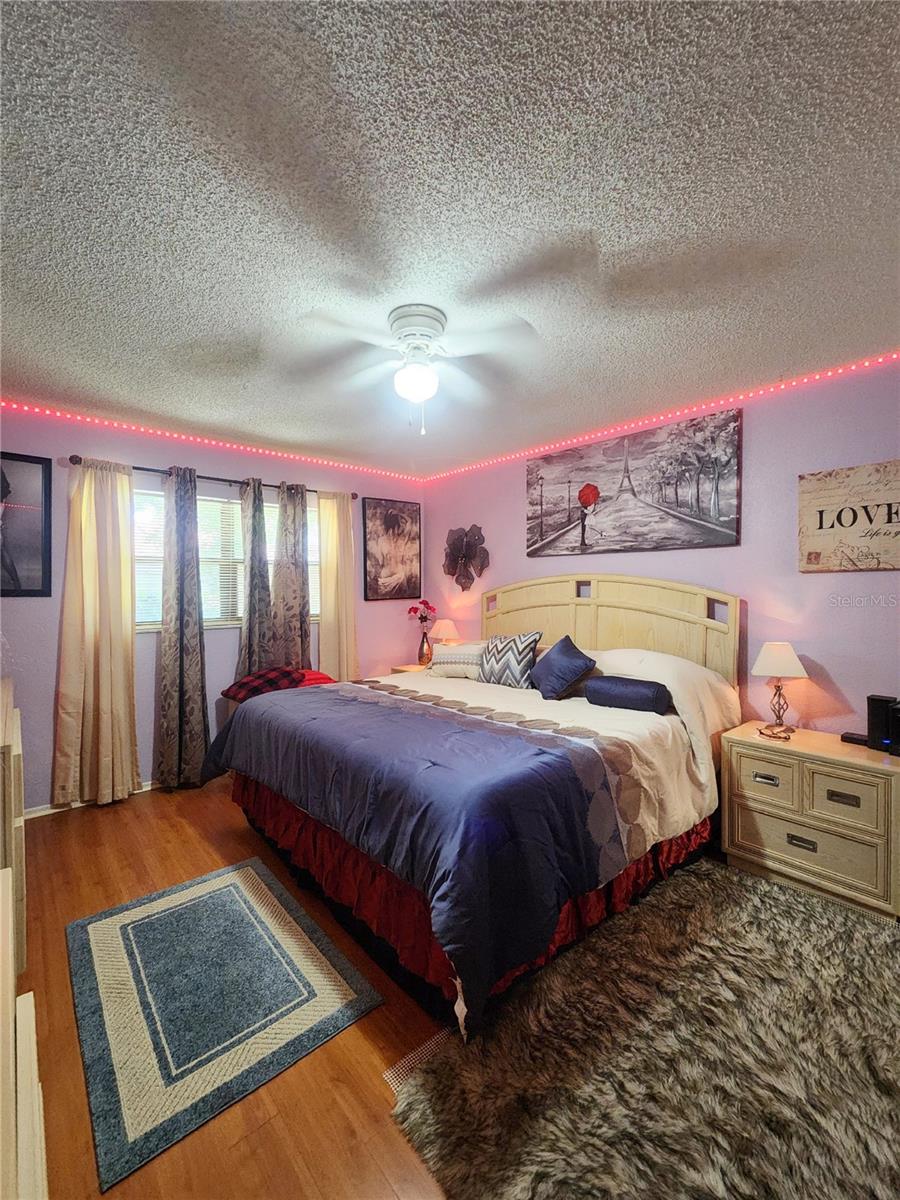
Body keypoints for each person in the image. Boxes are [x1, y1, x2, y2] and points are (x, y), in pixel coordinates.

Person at [0, 468, 22, 592]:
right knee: (3, 553)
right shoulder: (3, 493)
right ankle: (16, 583)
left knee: (3, 553)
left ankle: (16, 582)